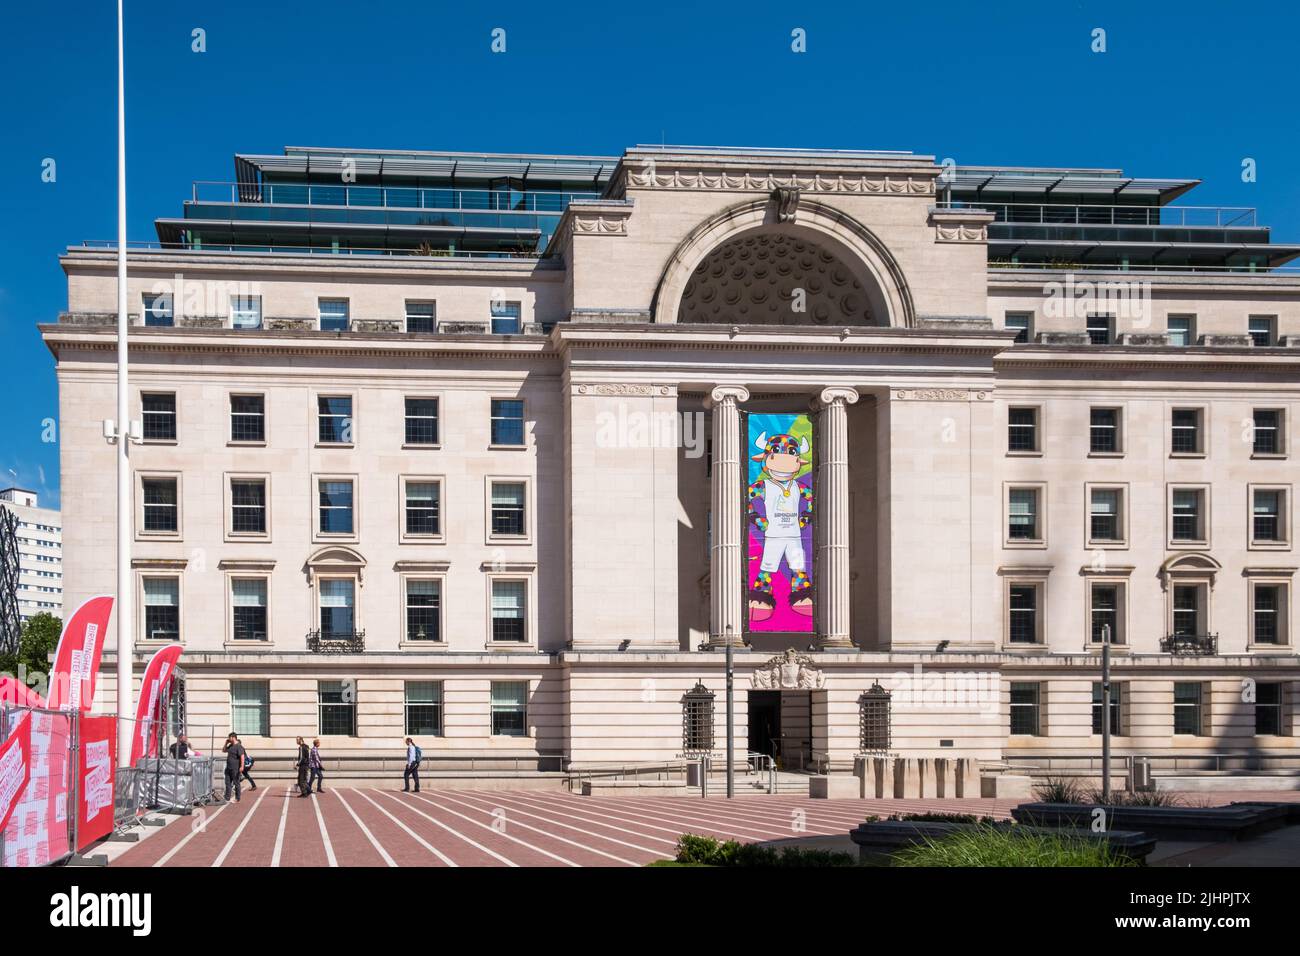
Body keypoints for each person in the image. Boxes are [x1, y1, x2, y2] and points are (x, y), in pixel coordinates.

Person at [221, 733, 247, 803]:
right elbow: (223, 750)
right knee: (227, 783)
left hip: (235, 768)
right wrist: (226, 743)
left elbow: (242, 757)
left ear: (233, 738)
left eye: (229, 738)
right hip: (228, 768)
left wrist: (241, 766)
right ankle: (227, 798)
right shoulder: (230, 746)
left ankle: (237, 798)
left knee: (236, 783)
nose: (228, 739)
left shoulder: (239, 746)